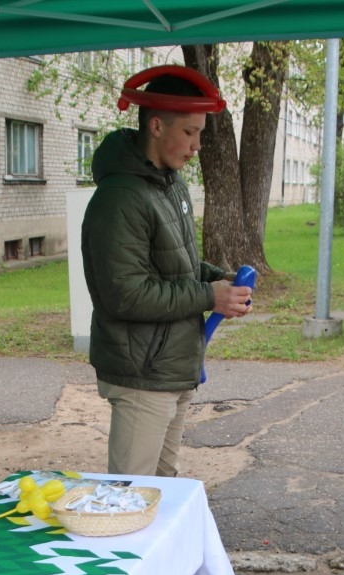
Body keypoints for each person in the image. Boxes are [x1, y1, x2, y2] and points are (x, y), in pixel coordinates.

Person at [81, 67, 252, 478]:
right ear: (156, 125)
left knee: (162, 491)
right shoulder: (120, 197)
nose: (196, 146)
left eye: (200, 135)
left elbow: (177, 266)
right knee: (129, 498)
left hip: (169, 368)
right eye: (190, 133)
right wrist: (210, 296)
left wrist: (219, 279)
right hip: (142, 375)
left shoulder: (168, 184)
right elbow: (125, 294)